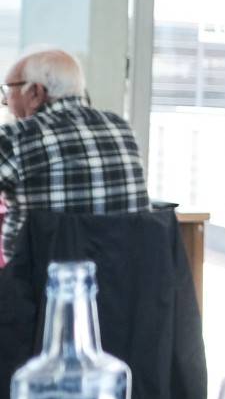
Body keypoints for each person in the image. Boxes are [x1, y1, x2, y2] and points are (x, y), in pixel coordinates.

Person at [0, 48, 149, 264]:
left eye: (7, 90)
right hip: (125, 286)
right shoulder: (121, 128)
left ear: (35, 93)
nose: (5, 102)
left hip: (39, 287)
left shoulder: (16, 137)